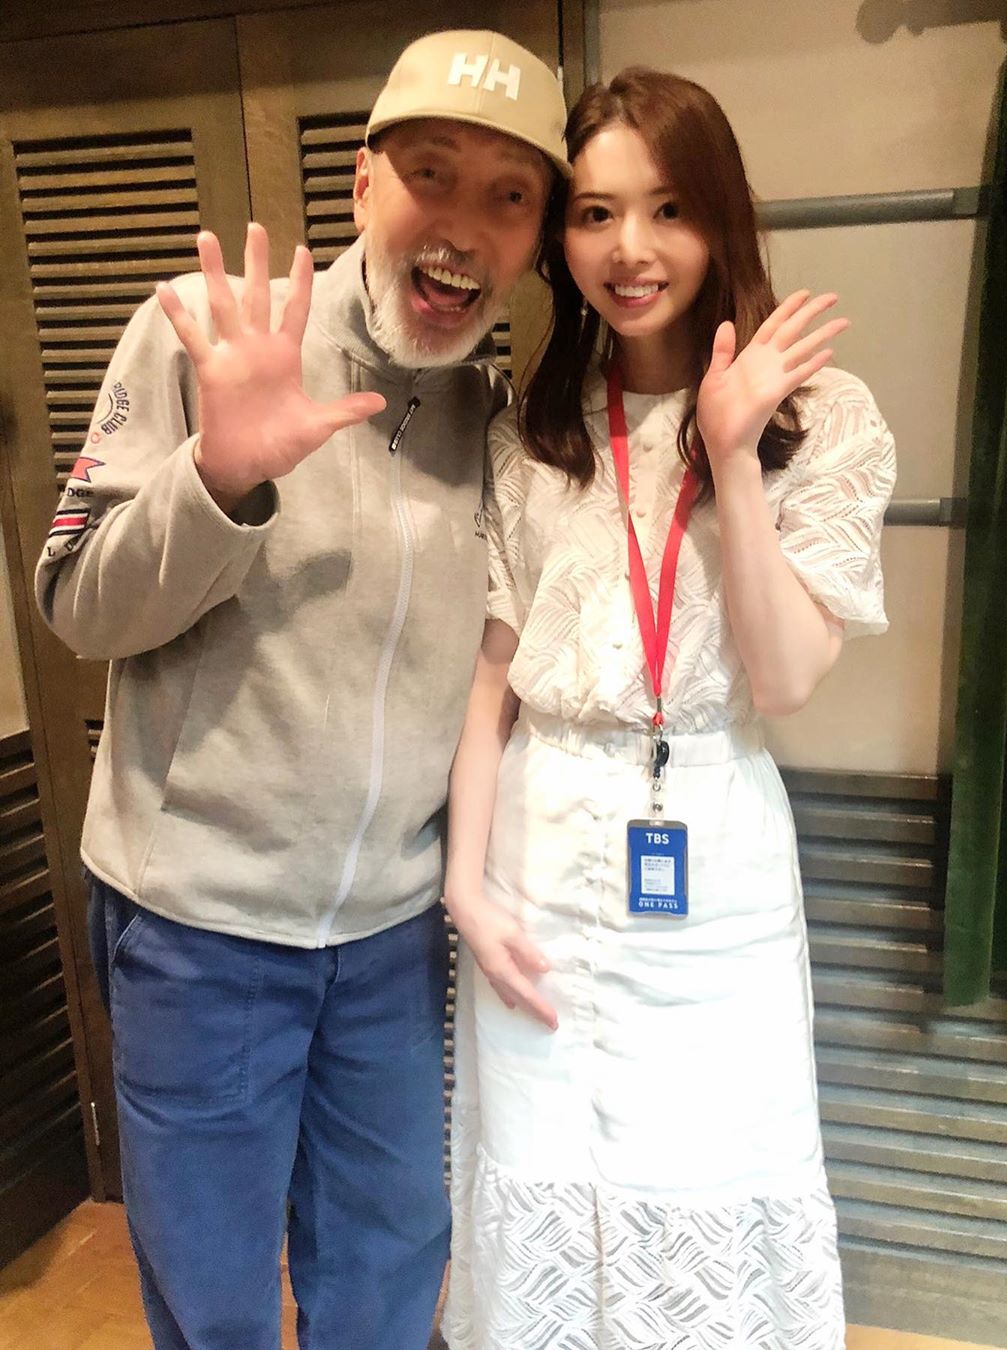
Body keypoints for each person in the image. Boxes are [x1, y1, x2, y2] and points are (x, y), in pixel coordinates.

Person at [34, 29, 568, 1350]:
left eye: (509, 197)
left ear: (535, 240)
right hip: (201, 927)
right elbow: (74, 600)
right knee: (213, 1295)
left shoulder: (492, 413)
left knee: (391, 1268)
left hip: (391, 936)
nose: (462, 227)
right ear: (362, 181)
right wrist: (218, 481)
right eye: (431, 174)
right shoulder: (204, 333)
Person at [442, 66, 896, 1347]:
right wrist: (464, 886)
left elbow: (786, 676)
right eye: (595, 213)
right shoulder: (534, 425)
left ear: (720, 216)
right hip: (536, 847)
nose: (629, 250)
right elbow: (492, 675)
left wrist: (733, 455)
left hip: (711, 845)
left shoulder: (823, 415)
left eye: (667, 209)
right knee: (535, 1156)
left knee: (708, 1166)